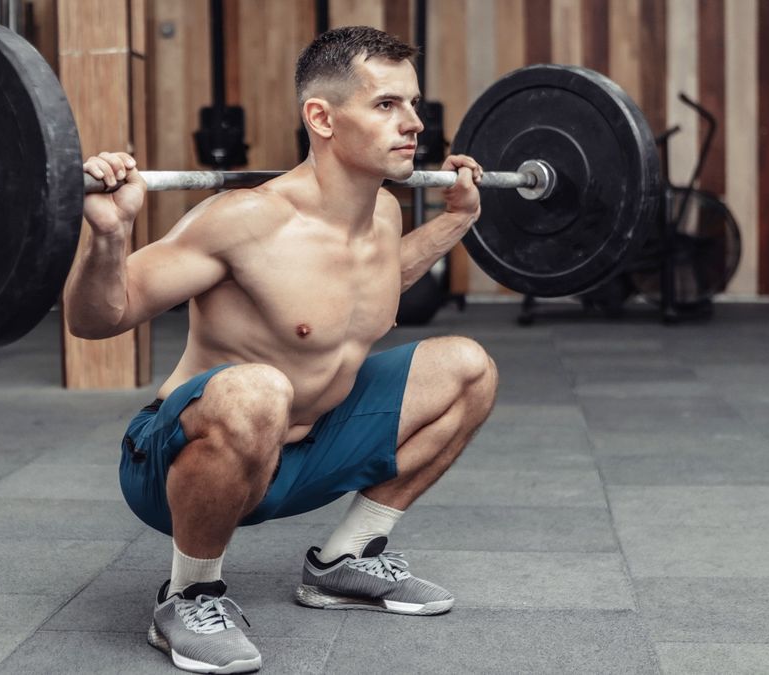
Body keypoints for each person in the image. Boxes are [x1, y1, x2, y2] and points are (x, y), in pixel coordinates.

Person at [64, 25, 497, 675]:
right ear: (321, 118)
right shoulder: (242, 220)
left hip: (301, 450)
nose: (412, 123)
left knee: (469, 367)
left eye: (411, 103)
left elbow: (365, 287)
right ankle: (188, 593)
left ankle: (344, 562)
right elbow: (98, 318)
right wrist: (106, 238)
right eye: (386, 105)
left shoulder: (383, 213)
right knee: (260, 387)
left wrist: (454, 222)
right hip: (181, 466)